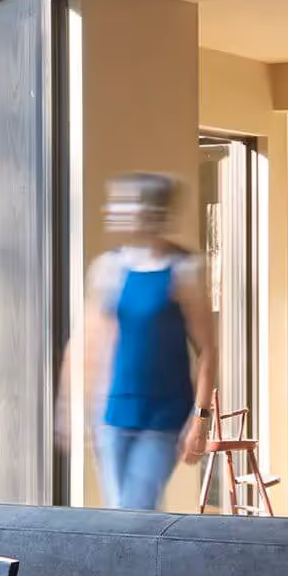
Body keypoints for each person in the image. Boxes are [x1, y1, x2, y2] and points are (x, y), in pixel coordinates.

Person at [64, 172, 218, 510]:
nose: (113, 209)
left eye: (124, 203)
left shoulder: (184, 271)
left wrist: (200, 420)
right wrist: (70, 408)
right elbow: (87, 342)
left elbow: (207, 350)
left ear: (151, 211)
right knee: (120, 511)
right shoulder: (109, 269)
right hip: (114, 412)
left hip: (163, 415)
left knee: (136, 509)